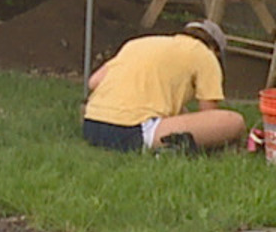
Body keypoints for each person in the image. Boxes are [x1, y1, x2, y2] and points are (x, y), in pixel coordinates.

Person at [81, 19, 246, 153]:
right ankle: (170, 147)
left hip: (91, 127)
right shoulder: (205, 54)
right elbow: (209, 115)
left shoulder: (138, 43)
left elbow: (94, 82)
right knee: (233, 121)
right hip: (133, 131)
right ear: (216, 50)